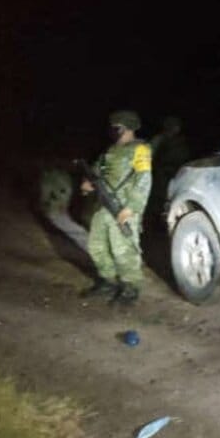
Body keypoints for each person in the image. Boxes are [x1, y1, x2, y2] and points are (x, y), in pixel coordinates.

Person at [79, 110, 152, 305]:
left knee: (123, 249)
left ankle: (130, 287)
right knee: (96, 245)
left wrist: (131, 208)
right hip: (103, 206)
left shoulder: (140, 149)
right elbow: (97, 172)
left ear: (128, 128)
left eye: (116, 127)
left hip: (123, 207)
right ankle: (108, 281)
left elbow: (144, 180)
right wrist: (88, 184)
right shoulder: (110, 151)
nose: (112, 130)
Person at [148, 115, 190, 227]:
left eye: (177, 126)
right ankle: (157, 223)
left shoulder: (181, 140)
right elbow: (150, 155)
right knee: (159, 199)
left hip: (177, 173)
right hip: (162, 173)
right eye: (174, 126)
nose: (176, 128)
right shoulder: (160, 139)